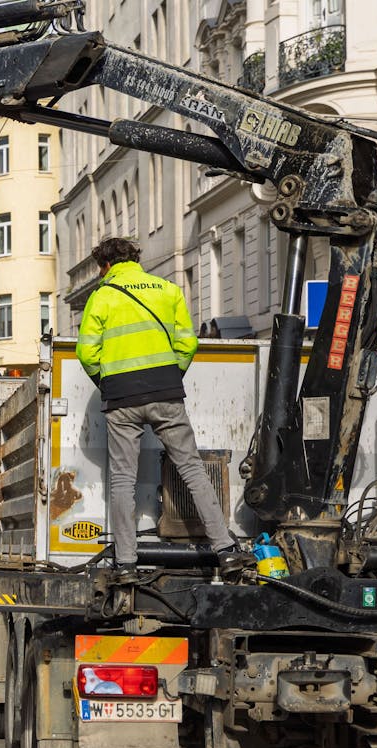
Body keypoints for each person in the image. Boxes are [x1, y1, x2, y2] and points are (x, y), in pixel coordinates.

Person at [75, 237, 246, 581]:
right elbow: (187, 342)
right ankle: (225, 549)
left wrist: (108, 383)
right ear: (135, 259)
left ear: (105, 266)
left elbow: (86, 352)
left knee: (123, 479)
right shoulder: (167, 290)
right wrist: (170, 375)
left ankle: (126, 563)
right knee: (193, 469)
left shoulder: (102, 297)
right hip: (166, 391)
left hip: (121, 399)